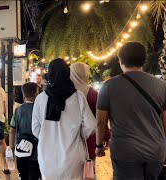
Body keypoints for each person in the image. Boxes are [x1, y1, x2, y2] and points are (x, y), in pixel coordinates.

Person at [96, 42, 166, 179]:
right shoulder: (161, 86)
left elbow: (100, 121)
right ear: (144, 60)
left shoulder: (108, 87)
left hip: (125, 153)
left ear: (120, 60)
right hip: (155, 151)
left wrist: (99, 145)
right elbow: (165, 121)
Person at [32, 59, 96, 179]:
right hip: (73, 158)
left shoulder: (40, 99)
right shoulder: (78, 97)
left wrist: (47, 135)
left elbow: (35, 130)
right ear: (68, 74)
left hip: (47, 157)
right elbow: (91, 125)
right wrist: (79, 135)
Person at [70, 62, 111, 161]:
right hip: (89, 138)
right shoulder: (92, 93)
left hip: (70, 137)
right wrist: (105, 137)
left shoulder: (66, 92)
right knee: (88, 170)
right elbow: (101, 118)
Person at [9, 82, 41, 180]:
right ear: (36, 94)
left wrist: (11, 148)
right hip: (37, 152)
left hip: (21, 149)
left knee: (23, 175)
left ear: (23, 94)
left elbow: (12, 130)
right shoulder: (40, 109)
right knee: (35, 175)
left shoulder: (18, 110)